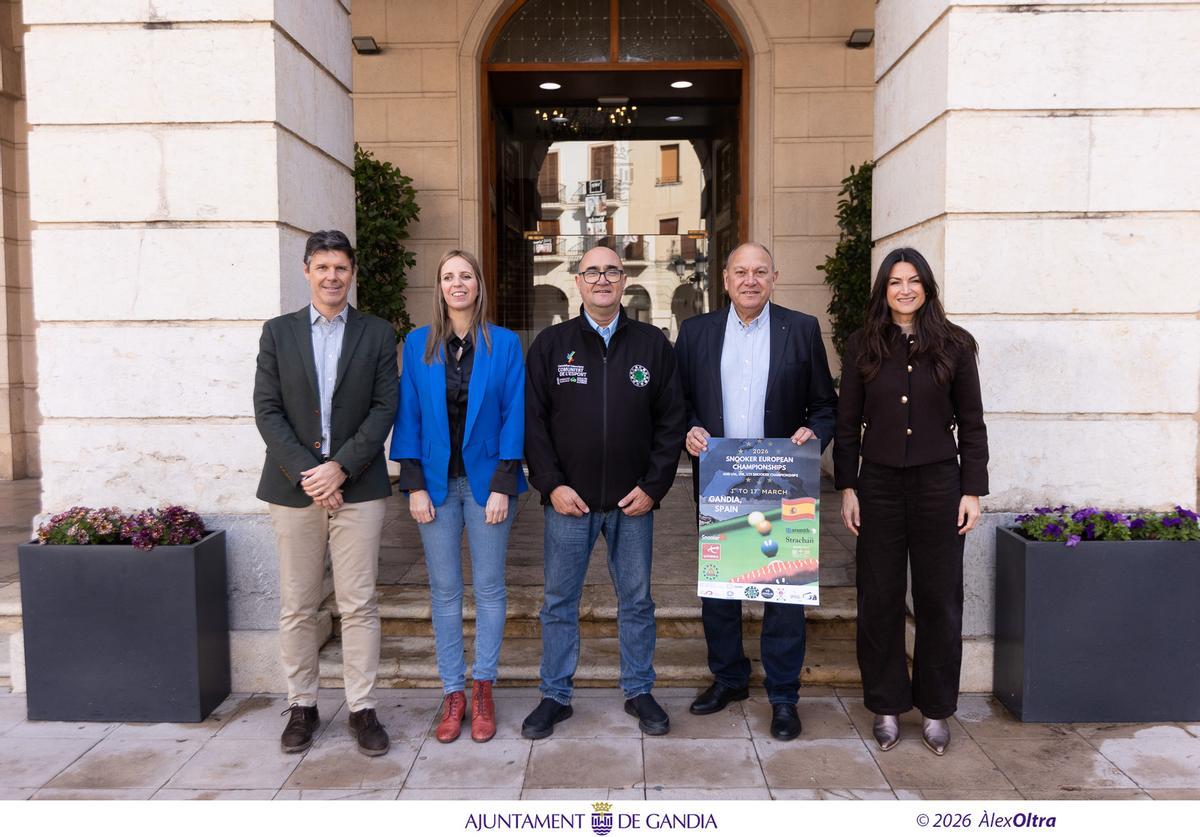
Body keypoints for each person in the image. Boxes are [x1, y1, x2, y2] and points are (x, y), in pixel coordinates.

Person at [674, 241, 838, 741]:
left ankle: (784, 696)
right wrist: (690, 429)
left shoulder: (802, 329)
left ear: (774, 278)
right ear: (724, 279)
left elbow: (825, 407)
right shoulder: (696, 333)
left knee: (783, 591)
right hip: (722, 479)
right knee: (720, 590)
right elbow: (676, 402)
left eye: (760, 272)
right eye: (740, 272)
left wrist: (816, 435)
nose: (750, 280)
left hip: (783, 479)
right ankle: (728, 679)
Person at [522, 246, 687, 738]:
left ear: (622, 281)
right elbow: (534, 424)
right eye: (592, 271)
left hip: (632, 503)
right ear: (578, 281)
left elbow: (672, 420)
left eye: (611, 271)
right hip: (568, 503)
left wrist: (654, 486)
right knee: (558, 602)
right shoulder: (551, 346)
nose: (601, 279)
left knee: (636, 601)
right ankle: (555, 695)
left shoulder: (653, 345)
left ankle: (639, 690)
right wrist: (551, 485)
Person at [834, 247, 988, 756]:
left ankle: (938, 708)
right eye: (895, 281)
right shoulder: (862, 345)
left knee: (939, 598)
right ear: (883, 289)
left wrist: (972, 490)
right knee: (878, 597)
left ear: (927, 288)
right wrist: (849, 487)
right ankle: (885, 703)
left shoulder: (956, 345)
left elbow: (971, 422)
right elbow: (847, 423)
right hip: (877, 484)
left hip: (940, 485)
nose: (905, 289)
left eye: (914, 280)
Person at [253, 230, 397, 757]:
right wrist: (311, 473)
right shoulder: (278, 332)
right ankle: (302, 705)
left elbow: (385, 407)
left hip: (358, 489)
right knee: (297, 604)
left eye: (341, 267)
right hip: (294, 490)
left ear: (351, 272)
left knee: (359, 603)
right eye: (322, 267)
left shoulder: (378, 333)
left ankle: (362, 708)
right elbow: (267, 410)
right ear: (307, 270)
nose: (332, 276)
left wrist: (340, 468)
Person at [390, 250, 526, 744]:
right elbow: (407, 414)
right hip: (436, 486)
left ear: (478, 284)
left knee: (489, 590)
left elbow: (515, 412)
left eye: (465, 275)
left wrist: (504, 485)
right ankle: (453, 693)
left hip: (488, 484)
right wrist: (414, 484)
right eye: (448, 276)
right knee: (445, 593)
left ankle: (483, 686)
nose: (457, 284)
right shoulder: (418, 343)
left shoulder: (505, 344)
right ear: (439, 286)